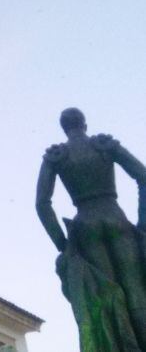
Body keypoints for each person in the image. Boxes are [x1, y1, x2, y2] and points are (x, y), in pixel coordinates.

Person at [36, 108, 146, 351]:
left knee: (107, 296)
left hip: (85, 227)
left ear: (64, 128)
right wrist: (143, 221)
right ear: (84, 124)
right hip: (115, 217)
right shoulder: (104, 146)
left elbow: (42, 204)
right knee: (137, 293)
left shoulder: (57, 156)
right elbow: (143, 177)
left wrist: (63, 244)